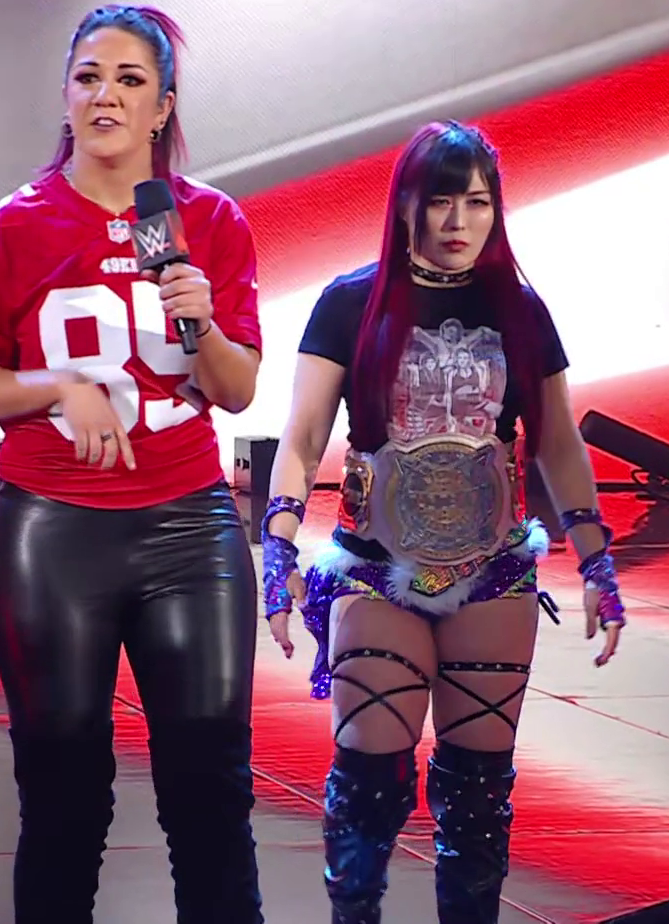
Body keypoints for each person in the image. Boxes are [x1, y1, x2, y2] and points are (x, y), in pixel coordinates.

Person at [0, 4, 266, 923]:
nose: (105, 95)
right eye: (88, 77)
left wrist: (199, 322)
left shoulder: (209, 221)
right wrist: (54, 387)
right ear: (66, 95)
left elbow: (235, 389)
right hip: (55, 530)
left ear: (163, 106)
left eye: (129, 80)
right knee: (63, 794)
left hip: (189, 526)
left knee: (211, 790)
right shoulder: (11, 226)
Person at [260, 121, 627, 924]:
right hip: (373, 568)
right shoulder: (350, 301)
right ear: (405, 206)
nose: (460, 221)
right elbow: (303, 436)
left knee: (478, 801)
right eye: (441, 201)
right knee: (368, 782)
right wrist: (278, 547)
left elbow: (560, 444)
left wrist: (597, 563)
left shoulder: (521, 309)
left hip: (494, 571)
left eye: (478, 202)